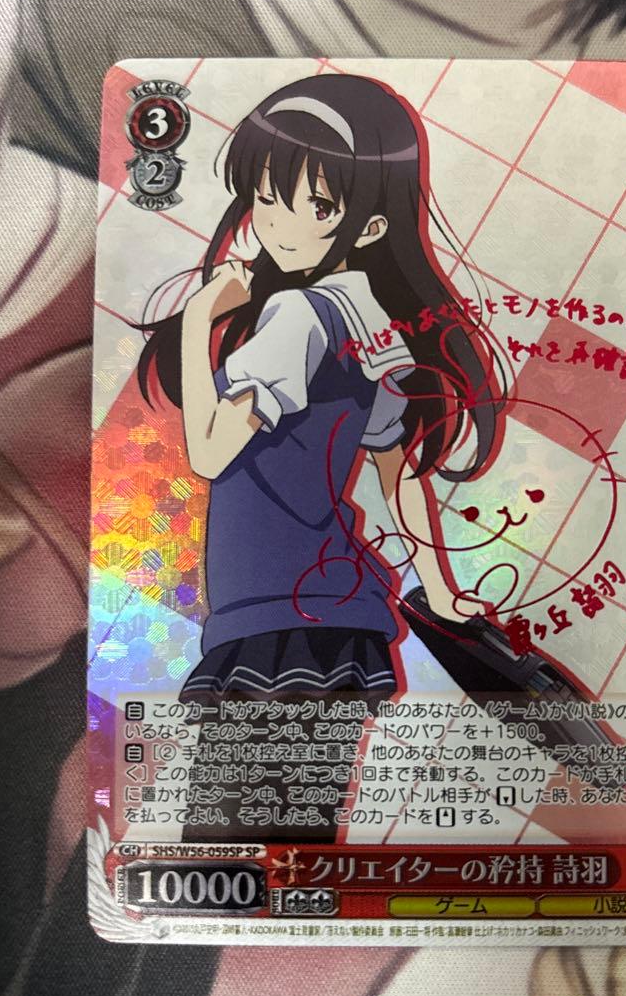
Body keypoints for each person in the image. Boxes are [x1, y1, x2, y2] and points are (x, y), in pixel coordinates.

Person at [136, 72, 505, 837]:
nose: (277, 221)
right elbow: (399, 469)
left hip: (279, 621)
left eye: (316, 205)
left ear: (369, 227)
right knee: (278, 841)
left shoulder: (299, 316)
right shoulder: (367, 320)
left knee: (235, 850)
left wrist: (200, 318)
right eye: (267, 195)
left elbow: (209, 451)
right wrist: (439, 589)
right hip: (321, 616)